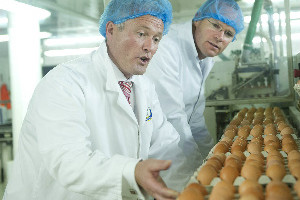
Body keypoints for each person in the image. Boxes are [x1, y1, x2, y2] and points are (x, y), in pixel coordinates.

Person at [3, 0, 196, 199]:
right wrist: (132, 171)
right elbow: (69, 162)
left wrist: (197, 182)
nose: (150, 46)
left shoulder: (144, 87)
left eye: (156, 38)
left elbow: (167, 147)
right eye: (141, 34)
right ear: (111, 30)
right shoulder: (64, 82)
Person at [146, 0, 244, 161]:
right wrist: (197, 164)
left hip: (173, 149)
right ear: (198, 18)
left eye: (228, 34)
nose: (220, 37)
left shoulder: (203, 59)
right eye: (215, 25)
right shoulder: (167, 46)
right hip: (153, 154)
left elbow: (195, 119)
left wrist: (212, 158)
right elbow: (172, 117)